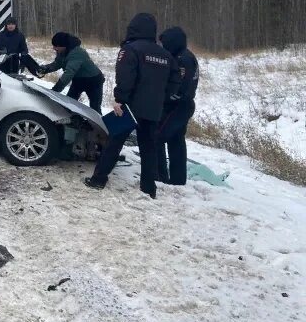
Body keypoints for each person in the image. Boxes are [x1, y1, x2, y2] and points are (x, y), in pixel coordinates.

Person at [84, 13, 178, 198]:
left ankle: (98, 179)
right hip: (153, 109)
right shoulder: (166, 55)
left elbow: (125, 78)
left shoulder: (130, 50)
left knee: (114, 142)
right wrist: (161, 98)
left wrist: (120, 99)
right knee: (149, 148)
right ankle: (148, 188)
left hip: (130, 107)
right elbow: (175, 82)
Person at [157, 26, 199, 185]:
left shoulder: (183, 59)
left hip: (177, 105)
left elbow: (179, 86)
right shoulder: (183, 55)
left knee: (157, 137)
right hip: (182, 104)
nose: (162, 47)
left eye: (164, 43)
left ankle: (159, 176)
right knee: (176, 141)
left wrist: (164, 97)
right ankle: (178, 179)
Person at [37, 32, 105, 113]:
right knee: (69, 105)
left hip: (93, 81)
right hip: (78, 80)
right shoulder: (62, 51)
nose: (54, 48)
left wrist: (55, 90)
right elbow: (57, 63)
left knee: (95, 109)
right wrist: (46, 69)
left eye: (56, 46)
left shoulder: (77, 53)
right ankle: (73, 123)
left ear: (63, 45)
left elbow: (68, 73)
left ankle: (99, 125)